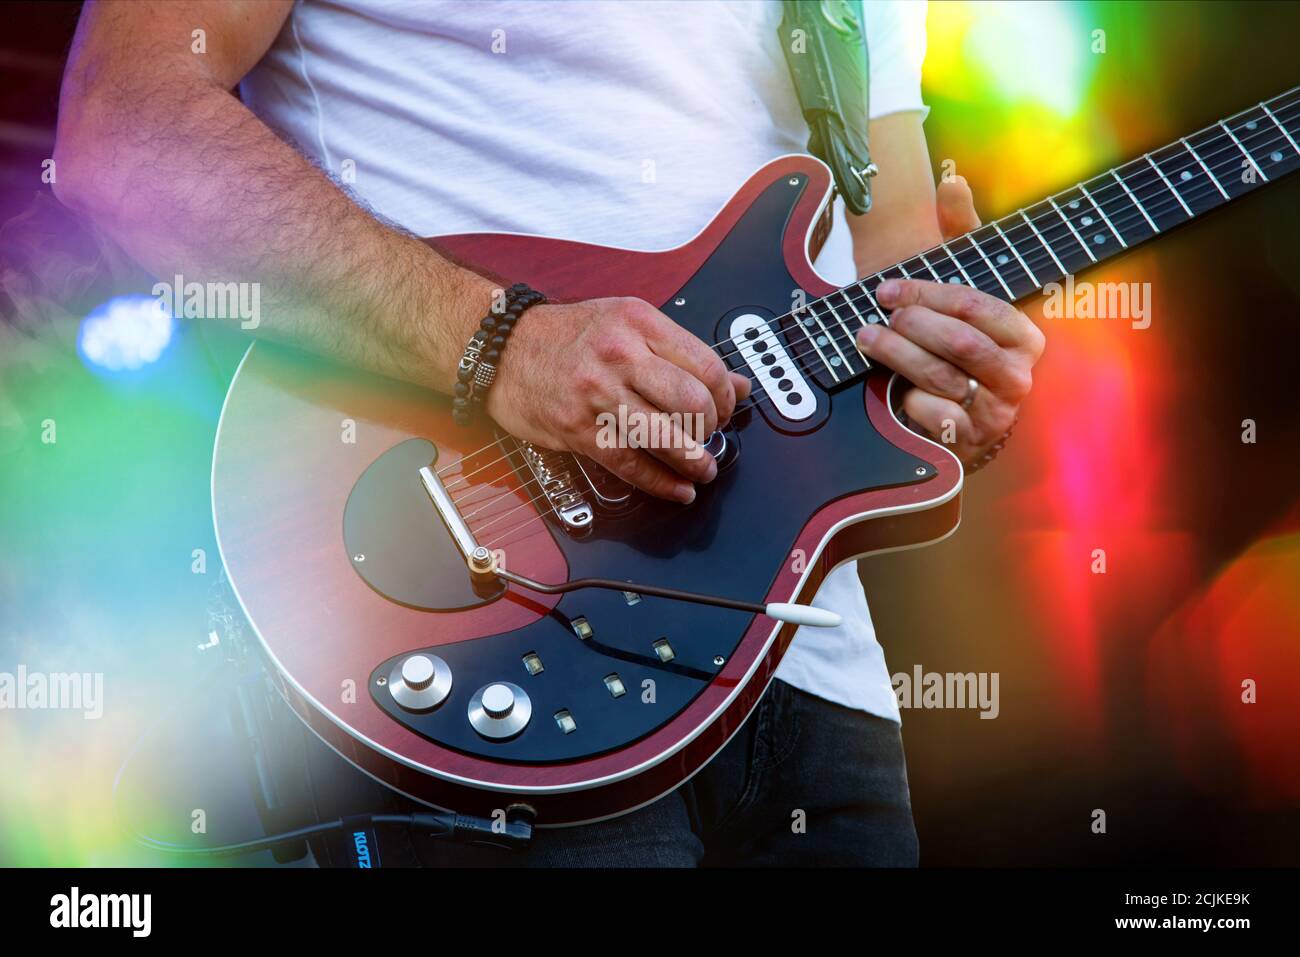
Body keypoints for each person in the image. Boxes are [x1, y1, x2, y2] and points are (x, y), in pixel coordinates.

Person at [52, 0, 1044, 866]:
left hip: (816, 676)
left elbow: (891, 273)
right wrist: (500, 345)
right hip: (483, 614)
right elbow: (127, 128)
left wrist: (949, 391)